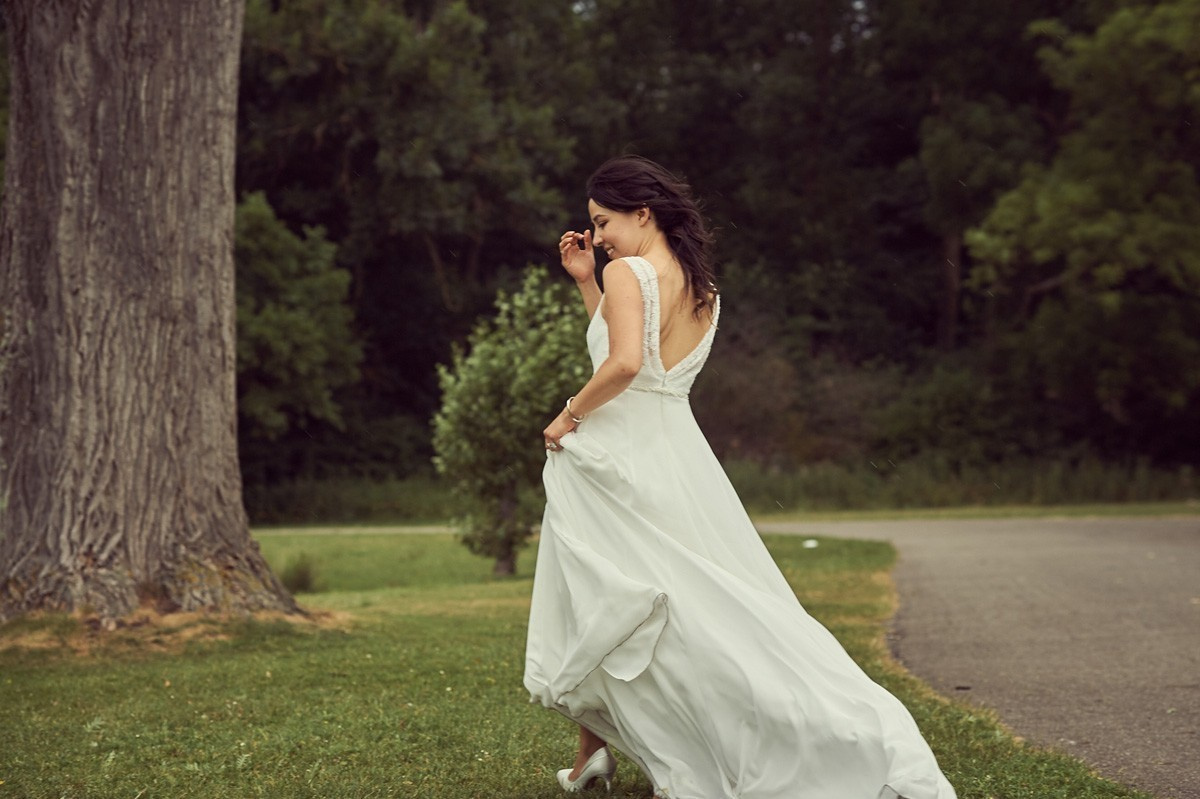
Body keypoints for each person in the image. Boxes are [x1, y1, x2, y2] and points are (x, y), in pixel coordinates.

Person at [523, 155, 957, 799]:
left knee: (622, 598)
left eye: (604, 221)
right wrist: (586, 281)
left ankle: (772, 734)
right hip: (676, 453)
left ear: (642, 213)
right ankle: (593, 758)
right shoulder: (701, 287)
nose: (598, 237)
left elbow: (620, 365)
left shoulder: (630, 272)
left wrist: (566, 416)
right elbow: (634, 347)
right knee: (637, 597)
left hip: (621, 453)